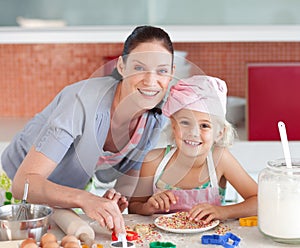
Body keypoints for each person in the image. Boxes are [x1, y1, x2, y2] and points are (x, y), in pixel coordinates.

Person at [1, 25, 175, 235]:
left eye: (162, 71)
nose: (150, 81)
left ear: (171, 74)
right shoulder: (81, 101)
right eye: (139, 68)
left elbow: (127, 182)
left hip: (69, 197)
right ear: (122, 66)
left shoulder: (155, 118)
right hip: (15, 189)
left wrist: (115, 200)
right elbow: (23, 183)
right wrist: (85, 199)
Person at [128, 75, 257, 223]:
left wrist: (224, 211)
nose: (194, 133)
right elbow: (133, 207)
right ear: (174, 125)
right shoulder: (154, 161)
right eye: (185, 122)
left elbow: (259, 201)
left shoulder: (219, 159)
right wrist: (148, 207)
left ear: (219, 133)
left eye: (204, 126)